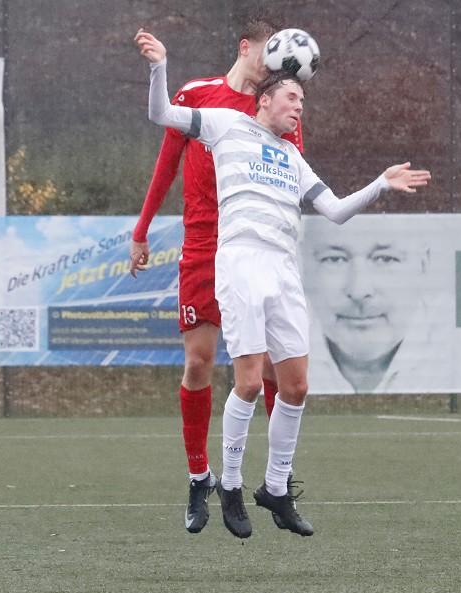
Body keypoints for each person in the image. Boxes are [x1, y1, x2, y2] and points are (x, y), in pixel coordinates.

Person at [135, 29, 431, 538]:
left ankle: (275, 487)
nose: (299, 107)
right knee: (248, 381)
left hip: (283, 271)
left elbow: (335, 210)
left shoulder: (292, 156)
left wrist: (381, 184)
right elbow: (162, 114)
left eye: (302, 101)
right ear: (265, 100)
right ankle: (229, 485)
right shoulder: (225, 125)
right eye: (292, 98)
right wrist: (160, 65)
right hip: (241, 264)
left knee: (295, 386)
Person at [128, 18, 302, 535]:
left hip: (254, 250)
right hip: (204, 245)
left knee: (271, 370)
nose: (275, 67)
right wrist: (141, 230)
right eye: (269, 54)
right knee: (199, 362)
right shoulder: (200, 96)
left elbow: (293, 176)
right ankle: (198, 476)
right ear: (246, 48)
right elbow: (166, 164)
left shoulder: (275, 109)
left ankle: (274, 482)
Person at [301, 216, 438, 393]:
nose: (359, 290)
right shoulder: (276, 347)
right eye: (334, 259)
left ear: (423, 264)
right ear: (302, 264)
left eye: (385, 259)